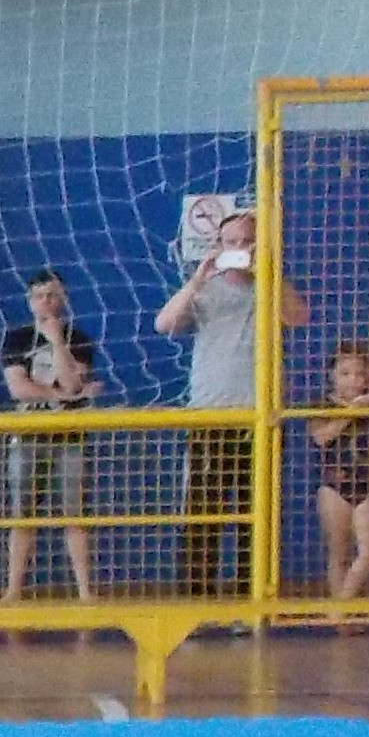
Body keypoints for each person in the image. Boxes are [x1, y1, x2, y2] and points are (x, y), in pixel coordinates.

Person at [155, 189, 270, 600]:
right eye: (231, 242)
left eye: (247, 241)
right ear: (218, 246)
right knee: (203, 511)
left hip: (257, 417)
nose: (240, 249)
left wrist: (266, 272)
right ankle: (195, 599)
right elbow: (164, 324)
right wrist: (198, 278)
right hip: (210, 415)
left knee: (255, 515)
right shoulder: (205, 289)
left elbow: (297, 316)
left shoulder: (270, 287)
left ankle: (250, 601)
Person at [0, 268, 102, 605]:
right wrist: (63, 395)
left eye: (53, 295)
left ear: (64, 299)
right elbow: (19, 388)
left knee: (75, 514)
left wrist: (57, 341)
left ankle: (85, 592)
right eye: (40, 296)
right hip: (29, 435)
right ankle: (13, 591)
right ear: (30, 301)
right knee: (22, 514)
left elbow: (72, 383)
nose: (47, 302)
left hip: (69, 437)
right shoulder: (16, 339)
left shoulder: (79, 339)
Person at [312, 336, 369, 600]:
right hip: (332, 485)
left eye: (359, 374)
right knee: (339, 553)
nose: (353, 380)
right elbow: (321, 437)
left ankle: (339, 608)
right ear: (332, 375)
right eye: (345, 374)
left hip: (367, 483)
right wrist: (351, 412)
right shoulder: (323, 404)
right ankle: (342, 616)